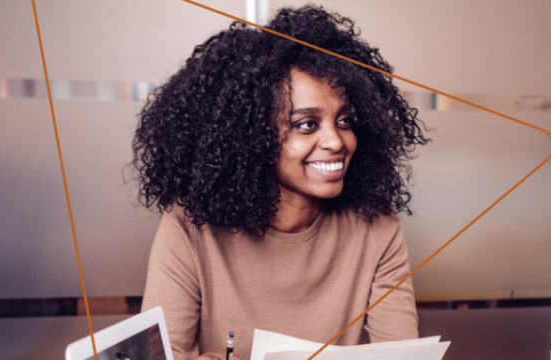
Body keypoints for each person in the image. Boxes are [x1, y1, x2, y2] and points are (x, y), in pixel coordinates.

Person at [131, 6, 428, 360]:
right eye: (307, 124)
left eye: (345, 121)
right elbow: (165, 355)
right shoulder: (189, 226)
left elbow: (401, 354)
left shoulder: (376, 222)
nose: (336, 141)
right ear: (250, 135)